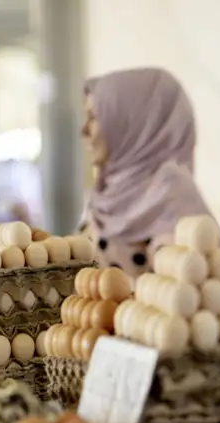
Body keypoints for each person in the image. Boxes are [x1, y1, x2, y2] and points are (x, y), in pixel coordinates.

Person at [80, 67, 211, 276]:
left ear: (130, 122)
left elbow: (187, 290)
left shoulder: (172, 193)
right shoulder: (106, 190)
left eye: (94, 117)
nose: (83, 130)